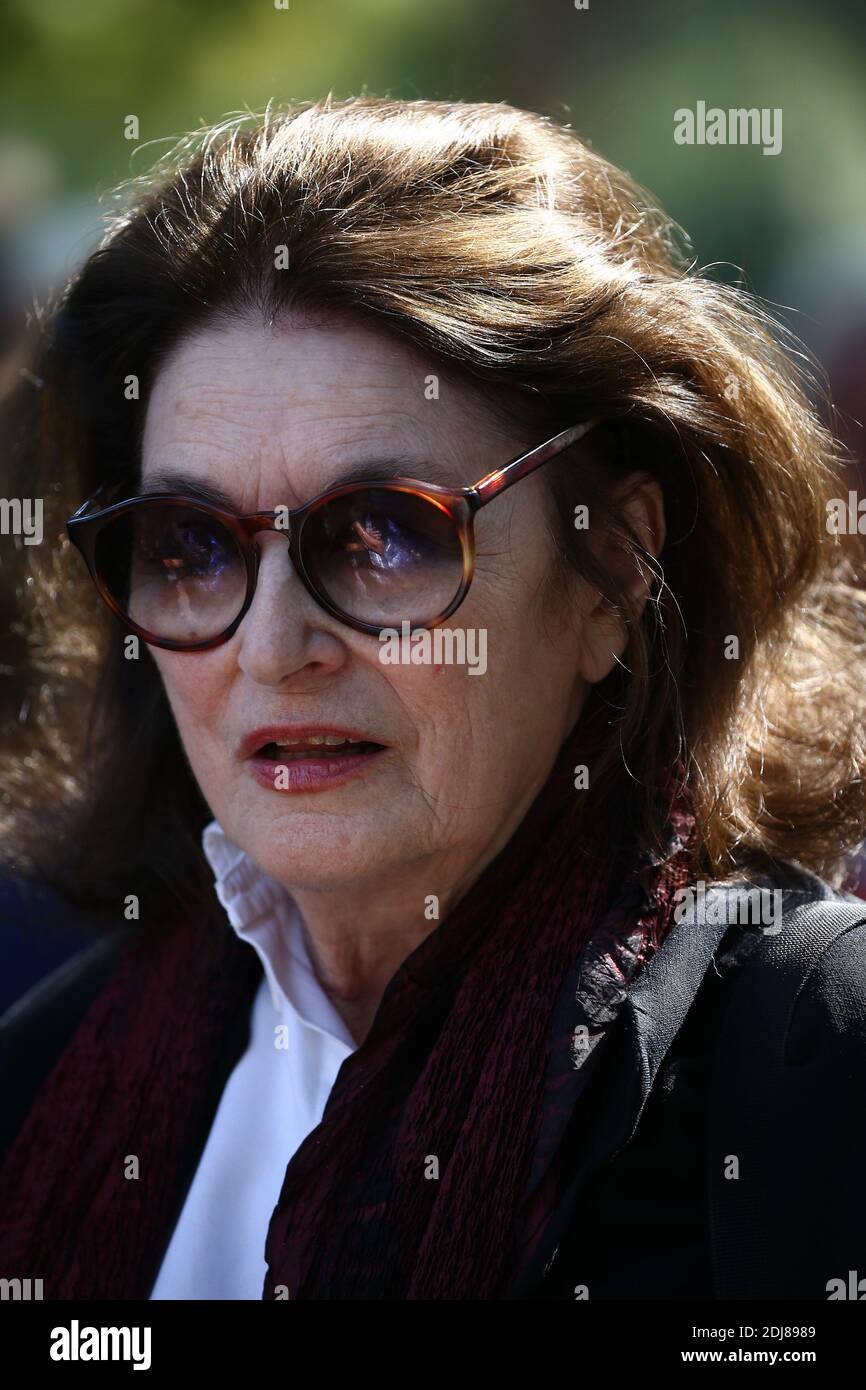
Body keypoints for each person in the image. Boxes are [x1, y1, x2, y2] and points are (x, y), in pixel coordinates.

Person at [1, 96, 865, 1301]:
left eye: (385, 532)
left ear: (614, 568)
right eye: (191, 546)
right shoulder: (45, 1080)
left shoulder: (810, 1064)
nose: (270, 644)